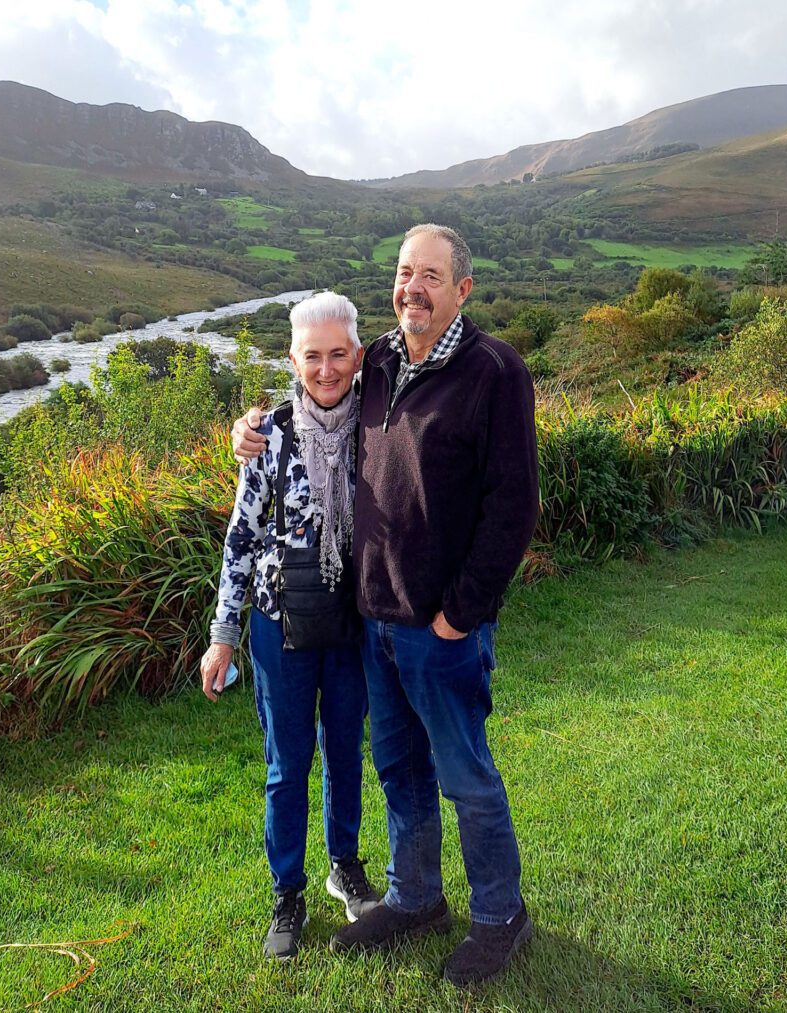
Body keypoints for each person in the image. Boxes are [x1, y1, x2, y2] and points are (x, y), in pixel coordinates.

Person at [233, 224, 539, 986]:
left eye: (432, 275)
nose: (415, 287)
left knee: (465, 773)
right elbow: (313, 389)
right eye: (406, 272)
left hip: (442, 627)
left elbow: (514, 507)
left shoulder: (494, 370)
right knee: (399, 768)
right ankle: (415, 897)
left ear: (462, 290)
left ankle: (501, 916)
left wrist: (461, 613)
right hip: (377, 621)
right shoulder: (379, 359)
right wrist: (250, 427)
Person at [201, 291, 381, 962]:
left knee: (344, 751)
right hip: (279, 628)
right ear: (293, 358)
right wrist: (224, 635)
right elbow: (240, 540)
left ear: (357, 355)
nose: (327, 369)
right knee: (287, 765)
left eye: (339, 354)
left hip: (352, 620)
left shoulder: (378, 423)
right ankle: (287, 891)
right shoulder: (269, 434)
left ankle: (345, 865)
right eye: (313, 356)